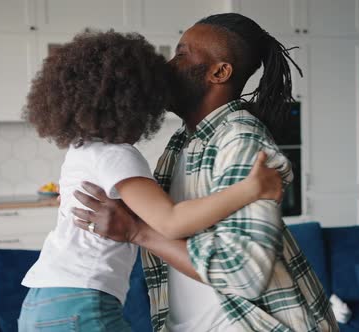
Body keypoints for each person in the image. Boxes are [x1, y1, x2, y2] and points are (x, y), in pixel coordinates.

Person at [73, 13, 339, 332]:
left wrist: (137, 231)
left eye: (182, 54)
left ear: (219, 72)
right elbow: (177, 222)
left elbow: (244, 274)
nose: (169, 65)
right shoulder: (181, 144)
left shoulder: (241, 142)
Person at [17, 31, 283, 331]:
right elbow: (170, 222)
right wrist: (250, 189)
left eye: (181, 55)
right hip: (81, 302)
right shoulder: (118, 155)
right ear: (138, 102)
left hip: (43, 301)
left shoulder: (82, 149)